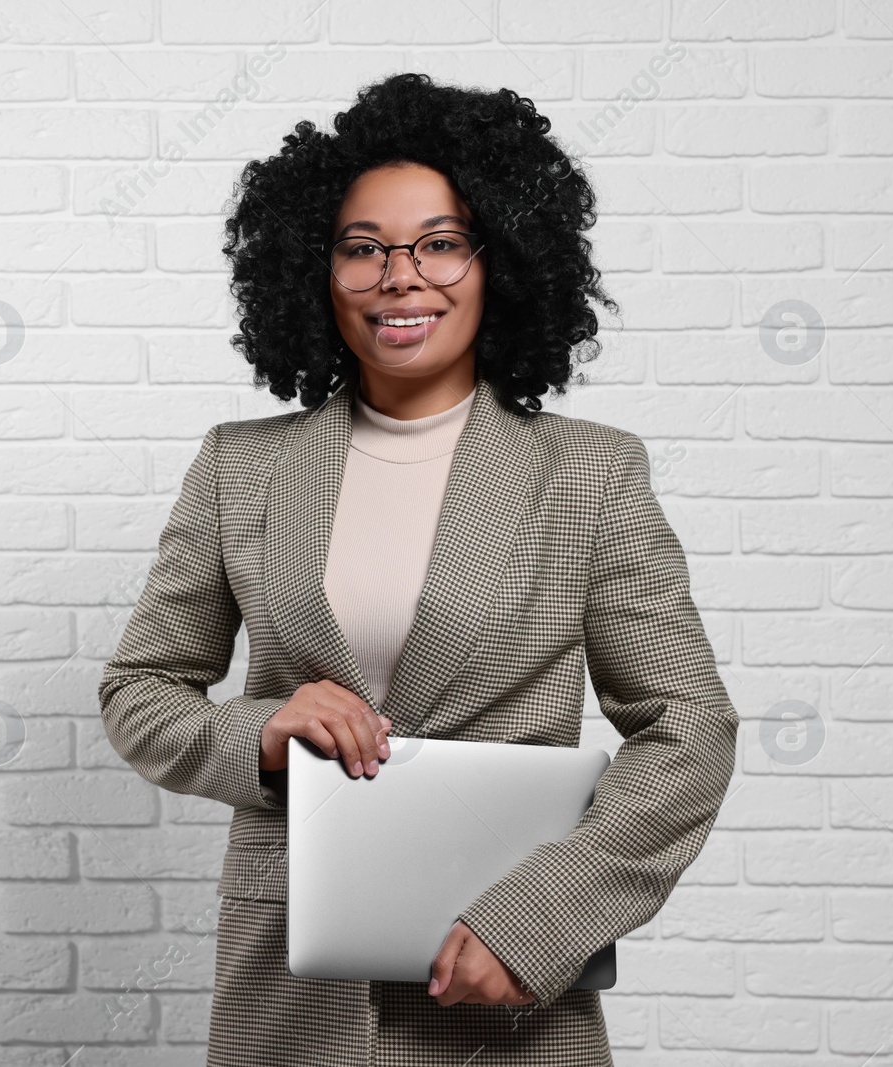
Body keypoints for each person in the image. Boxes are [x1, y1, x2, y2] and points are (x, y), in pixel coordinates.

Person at [98, 72, 739, 1066]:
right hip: (289, 986)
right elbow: (139, 692)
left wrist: (539, 919)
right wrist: (257, 728)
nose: (402, 276)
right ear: (317, 271)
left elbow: (686, 727)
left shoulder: (588, 473)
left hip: (500, 980)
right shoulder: (240, 467)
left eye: (440, 243)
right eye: (363, 249)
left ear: (501, 263)